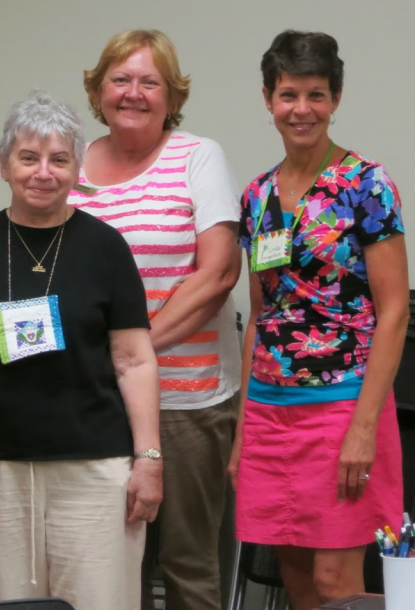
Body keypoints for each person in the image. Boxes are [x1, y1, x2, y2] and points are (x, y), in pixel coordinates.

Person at [0, 90, 162, 610]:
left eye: (59, 160)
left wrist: (149, 458)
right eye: (29, 158)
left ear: (77, 168)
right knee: (10, 605)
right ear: (4, 165)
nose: (43, 173)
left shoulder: (106, 247)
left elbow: (134, 360)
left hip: (95, 468)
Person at [230, 30, 408, 609]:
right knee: (296, 577)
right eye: (288, 95)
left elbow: (394, 311)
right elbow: (262, 315)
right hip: (269, 408)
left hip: (342, 406)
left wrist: (364, 427)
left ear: (335, 99)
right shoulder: (256, 196)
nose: (301, 109)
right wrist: (242, 432)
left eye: (316, 95)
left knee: (336, 583)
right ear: (268, 99)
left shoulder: (366, 185)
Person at [68, 29, 242, 610]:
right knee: (115, 564)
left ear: (172, 95)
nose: (133, 93)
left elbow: (218, 274)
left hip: (186, 400)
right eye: (120, 79)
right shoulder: (71, 164)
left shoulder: (198, 157)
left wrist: (129, 354)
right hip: (98, 399)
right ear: (99, 90)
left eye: (150, 82)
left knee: (188, 563)